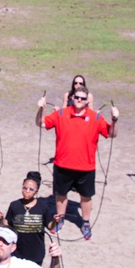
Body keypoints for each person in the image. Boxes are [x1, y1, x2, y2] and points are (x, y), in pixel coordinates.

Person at [35, 87, 118, 240]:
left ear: (87, 100)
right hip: (62, 165)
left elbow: (112, 134)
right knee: (61, 194)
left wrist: (114, 120)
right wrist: (41, 110)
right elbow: (41, 123)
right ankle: (60, 219)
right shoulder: (61, 114)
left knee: (86, 196)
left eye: (83, 98)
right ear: (72, 97)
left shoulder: (95, 117)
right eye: (77, 97)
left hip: (86, 167)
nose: (79, 100)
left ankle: (85, 222)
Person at [0, 171, 53, 268]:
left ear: (37, 191)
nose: (27, 191)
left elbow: (50, 226)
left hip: (36, 251)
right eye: (25, 188)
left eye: (31, 189)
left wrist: (56, 220)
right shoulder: (15, 206)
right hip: (18, 251)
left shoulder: (43, 207)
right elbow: (8, 225)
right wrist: (1, 219)